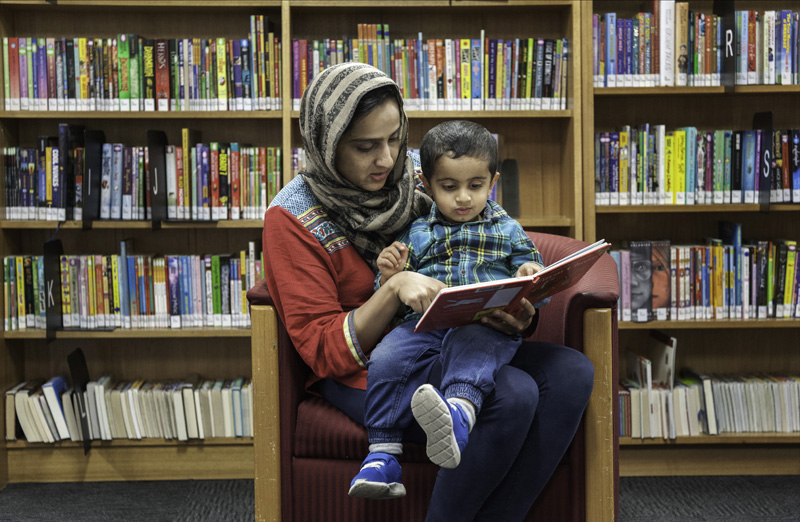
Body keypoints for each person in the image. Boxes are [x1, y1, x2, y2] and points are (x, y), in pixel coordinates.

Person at [262, 62, 594, 522]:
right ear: (327, 142)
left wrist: (518, 309)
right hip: (373, 369)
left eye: (395, 138)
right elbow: (325, 352)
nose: (387, 159)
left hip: (457, 340)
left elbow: (492, 234)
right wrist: (394, 287)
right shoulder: (292, 219)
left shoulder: (423, 172)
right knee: (512, 393)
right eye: (365, 146)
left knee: (573, 372)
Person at [349, 120, 548, 500]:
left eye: (476, 186)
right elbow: (391, 293)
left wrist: (529, 272)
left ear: (493, 181)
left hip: (483, 324)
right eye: (449, 187)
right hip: (421, 328)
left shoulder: (508, 230)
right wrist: (390, 273)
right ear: (426, 184)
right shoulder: (418, 232)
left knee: (475, 338)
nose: (463, 198)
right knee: (387, 355)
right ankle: (382, 455)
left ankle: (458, 412)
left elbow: (534, 273)